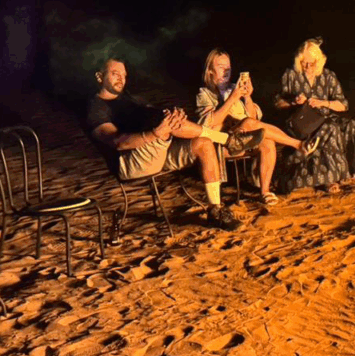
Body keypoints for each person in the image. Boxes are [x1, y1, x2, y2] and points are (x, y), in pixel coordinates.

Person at [87, 57, 261, 231]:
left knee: (203, 142)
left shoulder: (131, 99)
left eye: (124, 74)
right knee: (166, 121)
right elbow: (118, 143)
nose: (121, 79)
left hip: (158, 150)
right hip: (130, 162)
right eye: (115, 73)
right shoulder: (96, 108)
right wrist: (156, 132)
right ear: (99, 76)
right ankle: (229, 140)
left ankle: (215, 210)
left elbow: (156, 115)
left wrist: (175, 116)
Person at [196, 49, 320, 206]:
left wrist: (247, 96)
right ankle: (298, 144)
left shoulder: (235, 87)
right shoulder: (204, 94)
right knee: (248, 123)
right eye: (221, 66)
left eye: (228, 66)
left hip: (244, 138)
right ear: (210, 71)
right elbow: (210, 124)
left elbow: (255, 120)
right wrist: (233, 98)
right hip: (222, 144)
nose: (226, 70)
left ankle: (265, 192)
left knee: (266, 141)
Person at [274, 38, 355, 194]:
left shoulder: (328, 76)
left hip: (325, 116)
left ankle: (352, 172)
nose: (308, 66)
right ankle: (331, 178)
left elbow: (343, 105)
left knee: (350, 125)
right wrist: (294, 102)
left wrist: (323, 103)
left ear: (319, 61)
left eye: (312, 63)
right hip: (302, 123)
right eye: (304, 62)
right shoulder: (291, 75)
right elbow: (277, 103)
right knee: (330, 129)